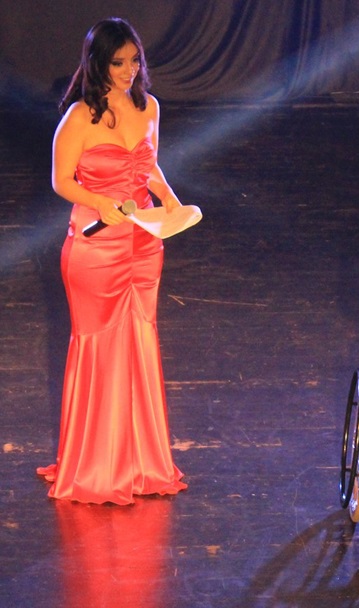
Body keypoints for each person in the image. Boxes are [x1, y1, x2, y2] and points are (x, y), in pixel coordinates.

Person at [37, 18, 187, 504]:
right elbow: (61, 179)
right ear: (97, 63)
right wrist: (99, 202)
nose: (129, 71)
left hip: (143, 244)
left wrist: (169, 199)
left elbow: (148, 165)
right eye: (118, 62)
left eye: (134, 60)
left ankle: (140, 461)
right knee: (98, 347)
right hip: (96, 246)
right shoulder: (79, 116)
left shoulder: (150, 108)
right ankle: (95, 465)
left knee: (138, 342)